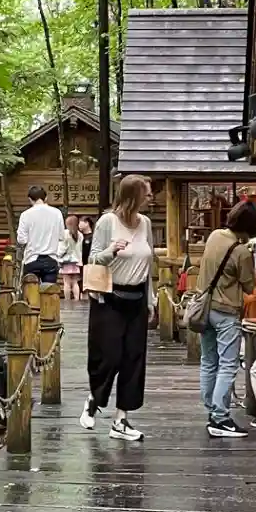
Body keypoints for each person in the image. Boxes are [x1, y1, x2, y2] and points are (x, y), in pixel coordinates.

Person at [84, 174, 155, 442]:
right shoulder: (107, 222)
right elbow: (93, 260)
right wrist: (112, 250)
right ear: (133, 195)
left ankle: (121, 419)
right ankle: (94, 398)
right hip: (110, 297)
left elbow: (149, 264)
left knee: (133, 359)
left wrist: (150, 300)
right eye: (147, 193)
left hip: (137, 297)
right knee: (109, 356)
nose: (151, 198)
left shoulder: (145, 223)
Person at [197, 198, 256, 437]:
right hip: (226, 312)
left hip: (205, 309)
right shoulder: (241, 252)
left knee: (208, 361)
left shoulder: (214, 236)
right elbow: (249, 287)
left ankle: (211, 411)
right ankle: (220, 418)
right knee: (228, 364)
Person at [14, 184, 65, 285]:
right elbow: (61, 236)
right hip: (51, 259)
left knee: (31, 292)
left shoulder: (25, 215)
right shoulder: (57, 213)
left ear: (30, 199)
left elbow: (21, 240)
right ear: (45, 198)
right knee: (49, 291)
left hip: (32, 259)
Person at [57, 211, 84, 301]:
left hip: (66, 261)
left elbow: (62, 249)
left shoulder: (65, 233)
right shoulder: (80, 235)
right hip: (76, 262)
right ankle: (77, 299)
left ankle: (67, 301)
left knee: (67, 283)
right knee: (75, 282)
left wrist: (58, 256)